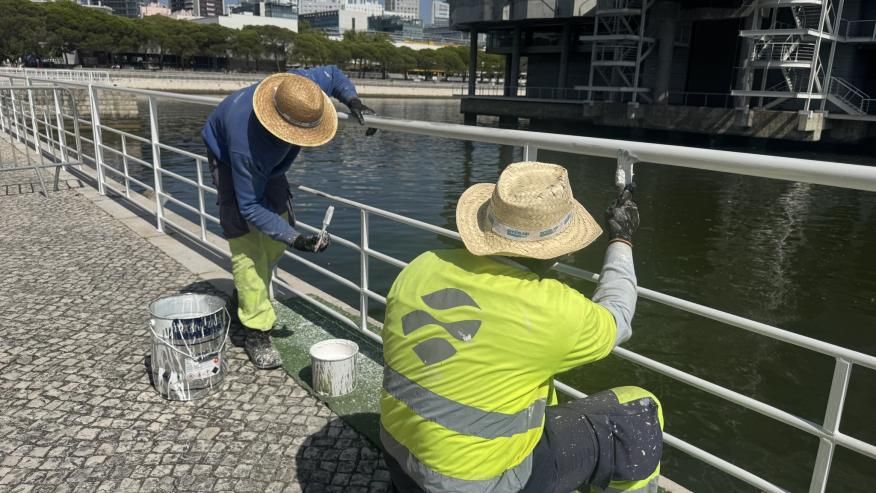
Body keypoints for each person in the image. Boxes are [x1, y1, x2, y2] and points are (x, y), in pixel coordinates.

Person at [379, 161, 663, 493]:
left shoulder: (421, 266)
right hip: (480, 486)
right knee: (639, 412)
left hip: (399, 463)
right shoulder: (549, 307)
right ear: (558, 248)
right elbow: (617, 315)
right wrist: (622, 239)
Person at [202, 66, 375, 369]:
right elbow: (250, 206)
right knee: (248, 248)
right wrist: (297, 241)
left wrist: (353, 100)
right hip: (229, 159)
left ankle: (243, 300)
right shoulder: (246, 148)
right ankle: (256, 330)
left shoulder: (302, 90)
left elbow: (333, 75)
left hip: (271, 162)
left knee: (277, 230)